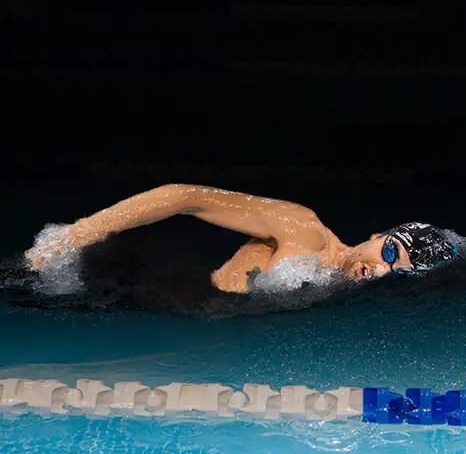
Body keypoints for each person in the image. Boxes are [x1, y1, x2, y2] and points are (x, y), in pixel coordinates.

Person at [25, 183, 458, 294]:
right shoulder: (303, 229)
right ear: (375, 235)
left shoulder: (340, 288)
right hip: (158, 296)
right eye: (387, 251)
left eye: (397, 270)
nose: (381, 268)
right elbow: (183, 196)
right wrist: (76, 235)